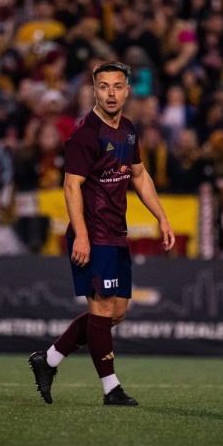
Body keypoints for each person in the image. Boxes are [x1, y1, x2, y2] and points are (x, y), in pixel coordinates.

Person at [28, 61, 175, 407]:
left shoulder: (128, 130)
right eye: (104, 86)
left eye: (117, 86)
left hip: (117, 233)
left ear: (127, 91)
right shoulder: (85, 134)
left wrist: (162, 218)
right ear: (94, 91)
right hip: (93, 234)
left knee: (116, 312)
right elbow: (71, 186)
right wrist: (81, 235)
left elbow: (139, 175)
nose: (111, 93)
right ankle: (112, 389)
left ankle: (48, 359)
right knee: (103, 309)